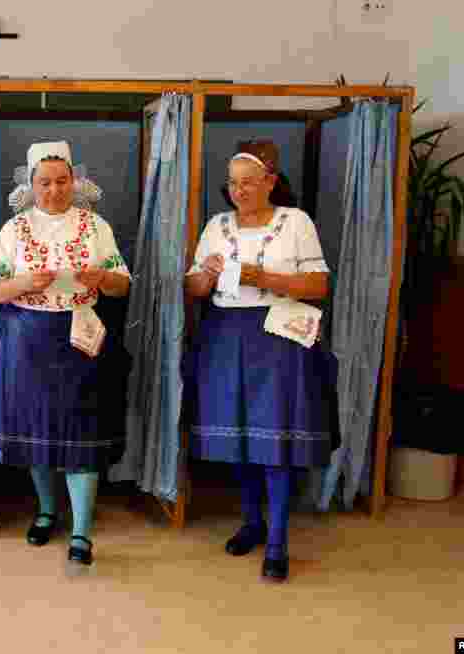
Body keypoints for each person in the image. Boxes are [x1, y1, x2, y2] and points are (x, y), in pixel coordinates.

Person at [184, 139, 337, 582]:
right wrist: (206, 275)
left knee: (277, 439)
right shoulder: (216, 225)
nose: (240, 191)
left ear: (271, 181)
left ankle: (278, 541)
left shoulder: (295, 222)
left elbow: (318, 286)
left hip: (278, 336)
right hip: (226, 334)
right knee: (240, 437)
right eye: (233, 184)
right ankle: (252, 522)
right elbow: (193, 289)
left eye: (249, 183)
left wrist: (262, 277)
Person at [0, 141, 131, 565]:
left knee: (81, 432)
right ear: (31, 184)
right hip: (28, 338)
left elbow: (122, 284)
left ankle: (81, 530)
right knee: (38, 430)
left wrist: (101, 276)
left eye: (62, 181)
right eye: (44, 182)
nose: (54, 190)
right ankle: (46, 510)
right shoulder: (14, 230)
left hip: (81, 338)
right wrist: (25, 282)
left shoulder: (95, 226)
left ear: (74, 181)